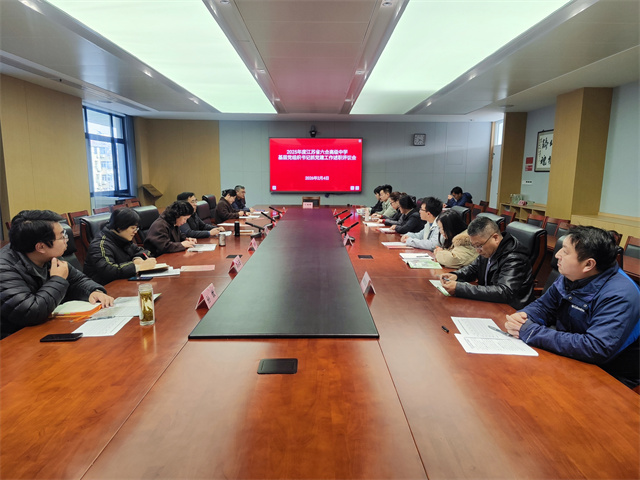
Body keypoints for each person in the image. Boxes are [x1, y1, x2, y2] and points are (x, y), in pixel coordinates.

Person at [505, 226, 639, 389]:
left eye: (565, 251)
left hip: (609, 377)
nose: (557, 255)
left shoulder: (621, 295)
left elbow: (596, 348)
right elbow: (544, 306)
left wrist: (532, 332)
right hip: (573, 357)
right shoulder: (571, 276)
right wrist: (524, 316)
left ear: (588, 264)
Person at [0, 210, 114, 339]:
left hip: (45, 328)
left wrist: (93, 291)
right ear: (40, 247)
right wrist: (58, 279)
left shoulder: (50, 256)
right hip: (14, 340)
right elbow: (30, 312)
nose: (67, 239)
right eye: (62, 236)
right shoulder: (4, 268)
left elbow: (78, 280)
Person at [441, 216, 534, 309]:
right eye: (474, 246)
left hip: (510, 309)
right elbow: (473, 268)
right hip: (490, 303)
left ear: (495, 238)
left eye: (479, 246)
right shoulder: (488, 249)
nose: (477, 250)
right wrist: (456, 275)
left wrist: (460, 288)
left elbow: (504, 292)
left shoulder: (515, 257)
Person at [84, 208, 157, 285]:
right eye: (133, 228)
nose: (135, 232)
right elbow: (108, 270)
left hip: (124, 282)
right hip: (104, 287)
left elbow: (142, 251)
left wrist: (137, 258)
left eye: (136, 228)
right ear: (120, 227)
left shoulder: (122, 238)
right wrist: (137, 267)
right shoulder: (99, 245)